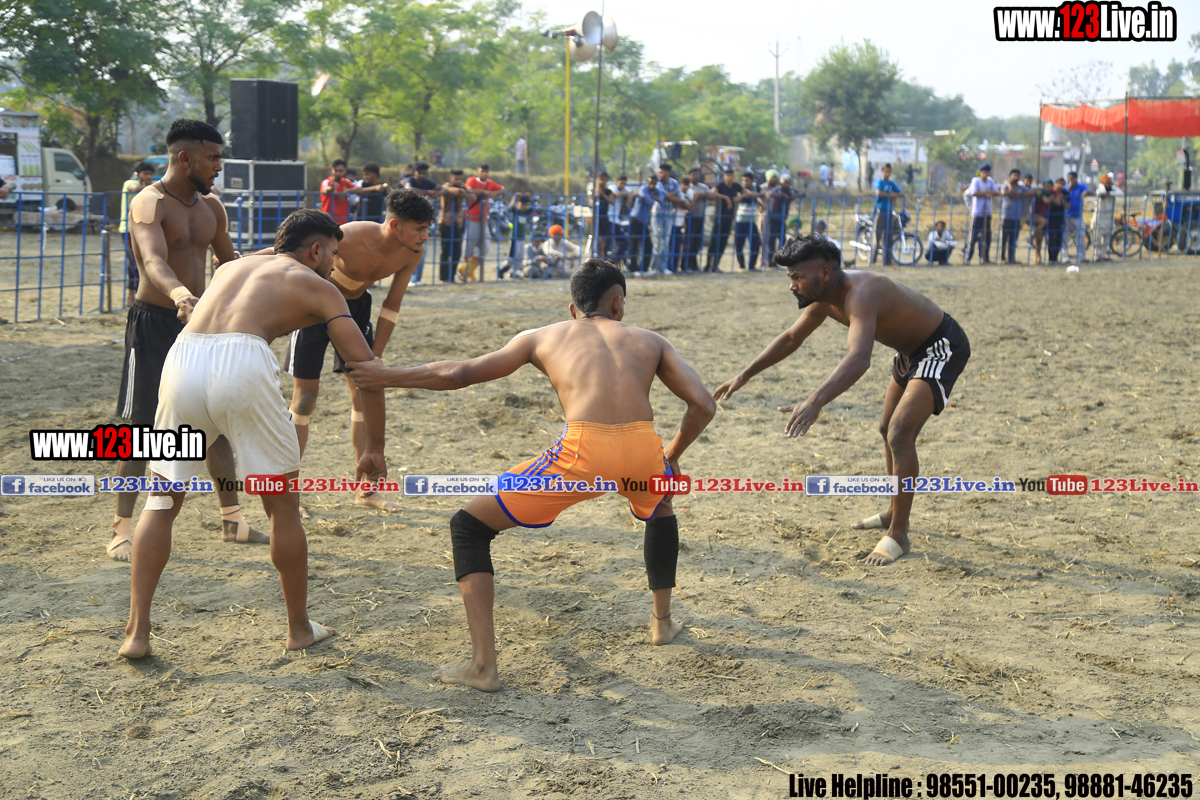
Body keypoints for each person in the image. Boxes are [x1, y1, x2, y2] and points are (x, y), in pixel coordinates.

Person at [344, 259, 716, 691]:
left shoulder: (543, 335)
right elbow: (704, 404)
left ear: (573, 309)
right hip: (642, 446)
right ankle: (662, 623)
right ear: (618, 305)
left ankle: (483, 666)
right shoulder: (651, 340)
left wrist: (385, 377)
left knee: (469, 527)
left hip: (583, 450)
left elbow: (460, 373)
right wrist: (671, 454)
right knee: (660, 506)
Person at [118, 209, 388, 659]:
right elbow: (366, 371)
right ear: (315, 251)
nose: (335, 265)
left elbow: (275, 253)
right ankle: (299, 628)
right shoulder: (321, 287)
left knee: (161, 500)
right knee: (282, 507)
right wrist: (374, 447)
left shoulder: (232, 268)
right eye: (332, 254)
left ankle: (136, 632)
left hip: (183, 359)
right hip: (242, 363)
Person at [713, 235, 970, 567]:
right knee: (886, 429)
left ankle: (899, 534)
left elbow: (859, 358)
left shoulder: (862, 292)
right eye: (790, 277)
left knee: (899, 432)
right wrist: (744, 375)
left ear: (824, 272)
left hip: (940, 347)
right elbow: (791, 338)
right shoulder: (824, 297)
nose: (792, 285)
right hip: (909, 353)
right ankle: (893, 510)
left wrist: (815, 402)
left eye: (797, 277)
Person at [110, 119, 261, 563]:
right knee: (138, 429)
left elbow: (228, 261)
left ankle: (232, 519)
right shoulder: (148, 203)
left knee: (214, 420)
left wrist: (265, 273)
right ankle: (121, 527)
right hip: (155, 323)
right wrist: (181, 295)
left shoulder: (212, 207)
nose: (219, 166)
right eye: (212, 157)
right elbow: (153, 260)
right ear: (185, 158)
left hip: (199, 324)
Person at [275, 189, 432, 514]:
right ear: (395, 226)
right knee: (304, 399)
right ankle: (289, 494)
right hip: (315, 305)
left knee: (364, 393)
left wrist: (375, 357)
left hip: (355, 311)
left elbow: (392, 305)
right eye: (419, 228)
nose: (425, 236)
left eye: (427, 228)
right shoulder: (352, 235)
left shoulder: (412, 252)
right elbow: (293, 252)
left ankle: (366, 490)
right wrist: (246, 260)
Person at [119, 161, 156, 307]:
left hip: (145, 229)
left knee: (146, 261)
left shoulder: (152, 188)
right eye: (145, 173)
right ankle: (133, 296)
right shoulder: (129, 183)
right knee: (134, 263)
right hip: (128, 229)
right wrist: (154, 188)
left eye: (150, 174)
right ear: (137, 174)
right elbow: (135, 188)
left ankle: (138, 295)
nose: (148, 176)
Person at [406, 162, 441, 285]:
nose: (422, 175)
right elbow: (408, 189)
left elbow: (442, 188)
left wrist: (436, 194)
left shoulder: (428, 182)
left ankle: (416, 279)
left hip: (421, 222)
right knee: (408, 250)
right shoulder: (410, 180)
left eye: (424, 173)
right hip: (409, 221)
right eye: (419, 173)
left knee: (421, 250)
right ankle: (409, 279)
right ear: (414, 172)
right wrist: (426, 192)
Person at [438, 168, 475, 283]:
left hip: (458, 224)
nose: (458, 181)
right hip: (446, 223)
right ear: (451, 178)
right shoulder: (445, 187)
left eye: (460, 179)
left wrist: (463, 190)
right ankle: (444, 278)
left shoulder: (463, 188)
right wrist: (463, 191)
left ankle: (451, 277)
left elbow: (473, 198)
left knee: (457, 252)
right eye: (456, 179)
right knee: (445, 251)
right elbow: (455, 192)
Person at [464, 164, 504, 269]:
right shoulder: (472, 180)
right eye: (482, 171)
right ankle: (465, 270)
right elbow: (468, 190)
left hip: (484, 219)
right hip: (472, 218)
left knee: (485, 246)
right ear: (477, 171)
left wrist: (493, 193)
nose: (485, 173)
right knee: (470, 245)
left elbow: (503, 189)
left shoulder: (490, 183)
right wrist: (482, 191)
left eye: (486, 171)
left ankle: (467, 268)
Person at [320, 160, 376, 225]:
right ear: (332, 170)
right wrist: (331, 188)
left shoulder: (345, 182)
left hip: (343, 220)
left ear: (345, 171)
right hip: (328, 220)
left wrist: (347, 190)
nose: (338, 173)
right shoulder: (327, 181)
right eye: (336, 170)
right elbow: (325, 189)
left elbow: (359, 189)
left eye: (340, 171)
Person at [684, 168, 718, 273]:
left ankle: (694, 266)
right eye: (693, 174)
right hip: (689, 217)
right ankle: (686, 265)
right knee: (689, 242)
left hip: (700, 217)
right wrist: (702, 195)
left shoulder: (703, 187)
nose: (696, 176)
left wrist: (701, 195)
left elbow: (712, 196)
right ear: (689, 176)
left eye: (697, 174)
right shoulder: (687, 186)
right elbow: (693, 194)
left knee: (697, 243)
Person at [628, 174, 663, 276]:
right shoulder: (643, 188)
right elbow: (652, 202)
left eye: (654, 184)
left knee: (648, 245)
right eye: (650, 183)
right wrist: (654, 198)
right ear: (647, 182)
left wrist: (653, 197)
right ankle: (633, 268)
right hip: (636, 219)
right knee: (634, 245)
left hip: (644, 221)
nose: (652, 185)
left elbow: (661, 200)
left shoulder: (656, 190)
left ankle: (644, 268)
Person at [705, 170, 740, 272]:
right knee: (714, 241)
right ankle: (708, 265)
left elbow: (745, 192)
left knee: (723, 242)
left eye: (731, 175)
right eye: (727, 175)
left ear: (734, 176)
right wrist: (726, 198)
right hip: (719, 217)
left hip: (729, 218)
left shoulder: (736, 186)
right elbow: (713, 191)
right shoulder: (720, 185)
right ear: (724, 177)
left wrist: (739, 197)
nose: (729, 177)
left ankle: (715, 265)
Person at [965, 164, 1000, 264]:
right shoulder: (975, 180)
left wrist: (984, 192)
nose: (985, 174)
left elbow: (997, 192)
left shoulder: (990, 181)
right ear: (980, 173)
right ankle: (968, 258)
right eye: (983, 172)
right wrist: (988, 193)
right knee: (973, 236)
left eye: (986, 172)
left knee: (987, 236)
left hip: (987, 212)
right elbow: (974, 192)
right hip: (977, 213)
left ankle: (985, 258)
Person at [764, 176, 801, 265]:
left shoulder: (790, 190)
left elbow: (802, 193)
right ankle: (770, 262)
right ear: (781, 183)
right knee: (771, 241)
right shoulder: (778, 189)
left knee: (782, 241)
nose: (786, 184)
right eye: (784, 182)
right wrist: (782, 195)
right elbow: (769, 193)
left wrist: (793, 196)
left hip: (782, 219)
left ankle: (778, 260)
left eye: (788, 182)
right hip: (772, 219)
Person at [871, 163, 903, 267]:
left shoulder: (891, 183)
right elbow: (878, 193)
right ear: (882, 172)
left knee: (888, 238)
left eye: (889, 172)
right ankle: (873, 260)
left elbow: (901, 193)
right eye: (886, 171)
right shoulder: (879, 182)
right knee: (877, 237)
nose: (887, 173)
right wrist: (890, 195)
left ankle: (887, 261)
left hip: (889, 212)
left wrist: (895, 195)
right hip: (881, 211)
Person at [733, 171, 764, 271]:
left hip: (751, 221)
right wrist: (745, 194)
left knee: (756, 243)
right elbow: (737, 199)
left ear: (752, 181)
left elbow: (761, 194)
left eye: (747, 180)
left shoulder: (755, 187)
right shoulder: (740, 188)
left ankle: (751, 266)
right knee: (739, 245)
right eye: (744, 180)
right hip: (740, 221)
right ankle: (742, 266)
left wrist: (761, 203)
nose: (745, 182)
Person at [998, 168, 1028, 264]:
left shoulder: (1021, 187)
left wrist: (1021, 193)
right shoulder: (1005, 185)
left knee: (1013, 239)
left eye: (1017, 175)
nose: (1015, 177)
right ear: (1010, 177)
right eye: (1014, 175)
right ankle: (1003, 258)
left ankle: (1011, 258)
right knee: (1004, 238)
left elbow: (1031, 192)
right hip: (1006, 216)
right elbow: (1003, 192)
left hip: (1017, 217)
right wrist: (1013, 191)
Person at [500, 193, 533, 279]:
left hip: (522, 238)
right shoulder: (516, 211)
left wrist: (529, 198)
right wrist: (515, 197)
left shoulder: (525, 212)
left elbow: (533, 207)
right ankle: (501, 269)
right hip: (514, 238)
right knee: (511, 258)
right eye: (522, 204)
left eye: (525, 205)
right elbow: (511, 206)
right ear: (518, 203)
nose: (523, 206)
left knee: (520, 257)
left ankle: (513, 272)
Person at [1093, 173, 1122, 260]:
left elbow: (1120, 193)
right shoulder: (1100, 189)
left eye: (1109, 183)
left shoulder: (1113, 189)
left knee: (1107, 239)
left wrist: (1110, 192)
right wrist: (1103, 187)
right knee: (1097, 239)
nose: (1108, 184)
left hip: (1109, 218)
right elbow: (1100, 192)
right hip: (1100, 218)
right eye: (1106, 183)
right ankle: (1096, 256)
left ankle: (1103, 255)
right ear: (1103, 183)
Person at [1064, 171, 1090, 264]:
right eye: (1069, 178)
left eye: (1072, 178)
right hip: (1066, 216)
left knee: (1081, 236)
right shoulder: (1065, 187)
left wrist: (1086, 192)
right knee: (1064, 238)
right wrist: (1070, 187)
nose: (1070, 180)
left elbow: (1089, 190)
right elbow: (1064, 194)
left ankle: (1081, 257)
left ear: (1076, 179)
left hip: (1078, 216)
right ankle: (1065, 258)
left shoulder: (1081, 186)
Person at [672, 177, 695, 273]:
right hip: (672, 222)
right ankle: (670, 267)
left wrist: (684, 204)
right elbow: (677, 204)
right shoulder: (677, 192)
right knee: (671, 246)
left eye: (687, 185)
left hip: (680, 222)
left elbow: (690, 207)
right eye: (683, 184)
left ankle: (676, 267)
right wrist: (685, 204)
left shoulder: (689, 193)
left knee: (678, 246)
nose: (685, 187)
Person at [594, 171, 615, 258]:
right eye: (600, 179)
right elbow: (596, 195)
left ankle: (605, 257)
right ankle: (598, 256)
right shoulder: (595, 189)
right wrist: (598, 186)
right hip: (596, 218)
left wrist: (603, 193)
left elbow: (612, 201)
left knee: (605, 239)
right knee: (598, 240)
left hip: (605, 217)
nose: (602, 181)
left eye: (604, 179)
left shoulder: (608, 191)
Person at [1031, 179, 1052, 264]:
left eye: (1049, 186)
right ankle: (1037, 256)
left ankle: (1038, 256)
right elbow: (1046, 200)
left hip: (1045, 215)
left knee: (1040, 238)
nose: (1047, 188)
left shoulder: (1048, 193)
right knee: (1038, 238)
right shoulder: (1041, 192)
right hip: (1038, 215)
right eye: (1045, 186)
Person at [1046, 177, 1066, 264]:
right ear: (1055, 184)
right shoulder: (1051, 192)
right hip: (1051, 218)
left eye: (1062, 184)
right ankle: (1051, 258)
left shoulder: (1065, 193)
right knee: (1051, 239)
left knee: (1059, 239)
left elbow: (1067, 206)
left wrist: (1062, 198)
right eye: (1058, 183)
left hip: (1061, 218)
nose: (1060, 185)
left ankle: (1055, 258)